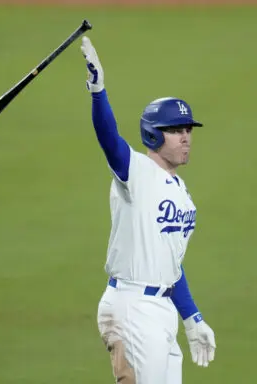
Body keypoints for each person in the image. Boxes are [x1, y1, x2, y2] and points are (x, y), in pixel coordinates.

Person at [80, 36, 216, 384]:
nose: (185, 137)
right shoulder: (136, 173)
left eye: (188, 130)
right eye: (175, 131)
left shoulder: (181, 192)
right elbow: (109, 140)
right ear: (153, 135)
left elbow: (171, 263)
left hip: (162, 309)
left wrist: (192, 317)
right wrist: (99, 93)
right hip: (132, 307)